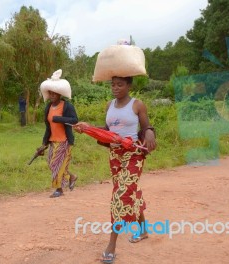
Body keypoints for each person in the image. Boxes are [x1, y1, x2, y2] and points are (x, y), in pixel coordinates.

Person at [73, 76, 156, 263]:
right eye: (113, 84)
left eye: (120, 84)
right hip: (115, 156)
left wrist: (150, 132)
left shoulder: (137, 105)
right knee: (129, 192)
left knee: (121, 195)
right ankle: (143, 230)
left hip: (133, 154)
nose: (115, 88)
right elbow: (106, 131)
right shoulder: (109, 105)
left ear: (129, 85)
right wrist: (87, 128)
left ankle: (111, 245)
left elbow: (146, 127)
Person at [40, 69, 79, 198]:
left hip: (64, 141)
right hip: (53, 141)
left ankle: (59, 189)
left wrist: (59, 119)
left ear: (60, 94)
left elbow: (74, 120)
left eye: (54, 93)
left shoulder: (67, 106)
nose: (52, 95)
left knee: (56, 165)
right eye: (50, 93)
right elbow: (48, 127)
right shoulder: (48, 108)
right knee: (52, 164)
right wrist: (44, 143)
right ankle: (71, 176)